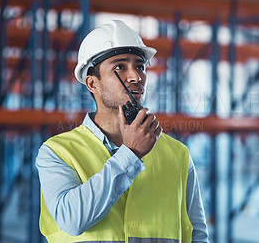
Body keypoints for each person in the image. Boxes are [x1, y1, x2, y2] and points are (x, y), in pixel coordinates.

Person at [36, 20, 209, 243]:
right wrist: (130, 153)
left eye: (139, 66)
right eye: (119, 67)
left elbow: (198, 236)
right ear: (92, 83)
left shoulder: (178, 154)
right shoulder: (57, 152)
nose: (136, 77)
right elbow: (72, 220)